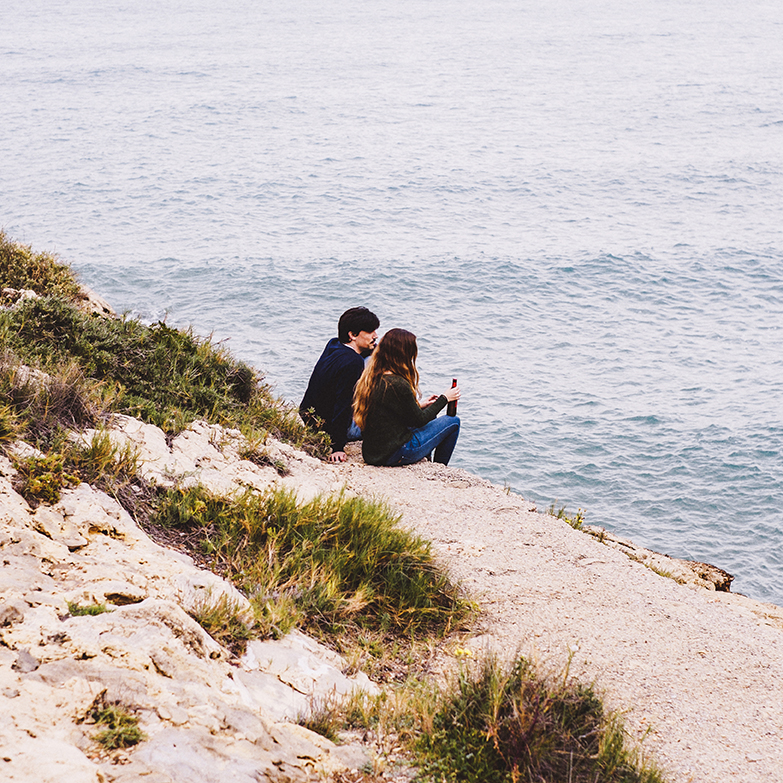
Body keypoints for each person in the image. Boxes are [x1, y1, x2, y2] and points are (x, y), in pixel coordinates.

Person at [353, 328, 461, 466]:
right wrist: (445, 398)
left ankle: (428, 460)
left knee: (430, 415)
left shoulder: (373, 377)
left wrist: (421, 405)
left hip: (373, 453)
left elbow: (389, 412)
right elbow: (419, 421)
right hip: (396, 453)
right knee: (453, 421)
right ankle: (440, 466)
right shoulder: (397, 384)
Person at [300, 307, 380, 462]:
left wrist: (376, 348)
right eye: (370, 331)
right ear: (352, 335)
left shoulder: (334, 344)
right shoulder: (353, 363)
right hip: (330, 428)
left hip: (310, 417)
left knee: (376, 355)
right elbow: (343, 403)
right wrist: (337, 447)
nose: (375, 335)